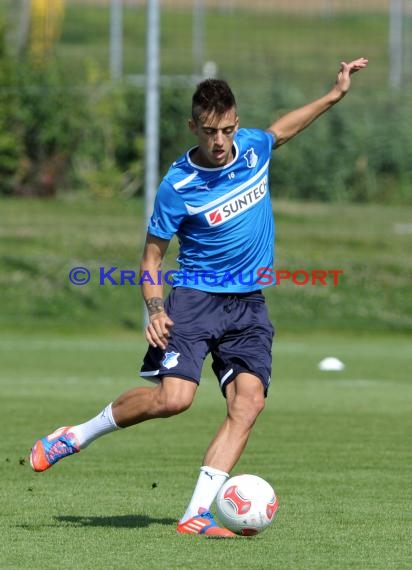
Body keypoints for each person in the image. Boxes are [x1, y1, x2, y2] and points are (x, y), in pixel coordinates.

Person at [30, 57, 368, 537]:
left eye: (228, 129)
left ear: (236, 122)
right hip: (194, 298)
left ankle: (196, 515)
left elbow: (281, 131)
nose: (220, 142)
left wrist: (334, 96)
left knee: (248, 403)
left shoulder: (252, 148)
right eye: (210, 131)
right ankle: (76, 435)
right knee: (174, 400)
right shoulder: (177, 186)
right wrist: (154, 308)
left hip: (249, 303)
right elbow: (150, 260)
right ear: (193, 126)